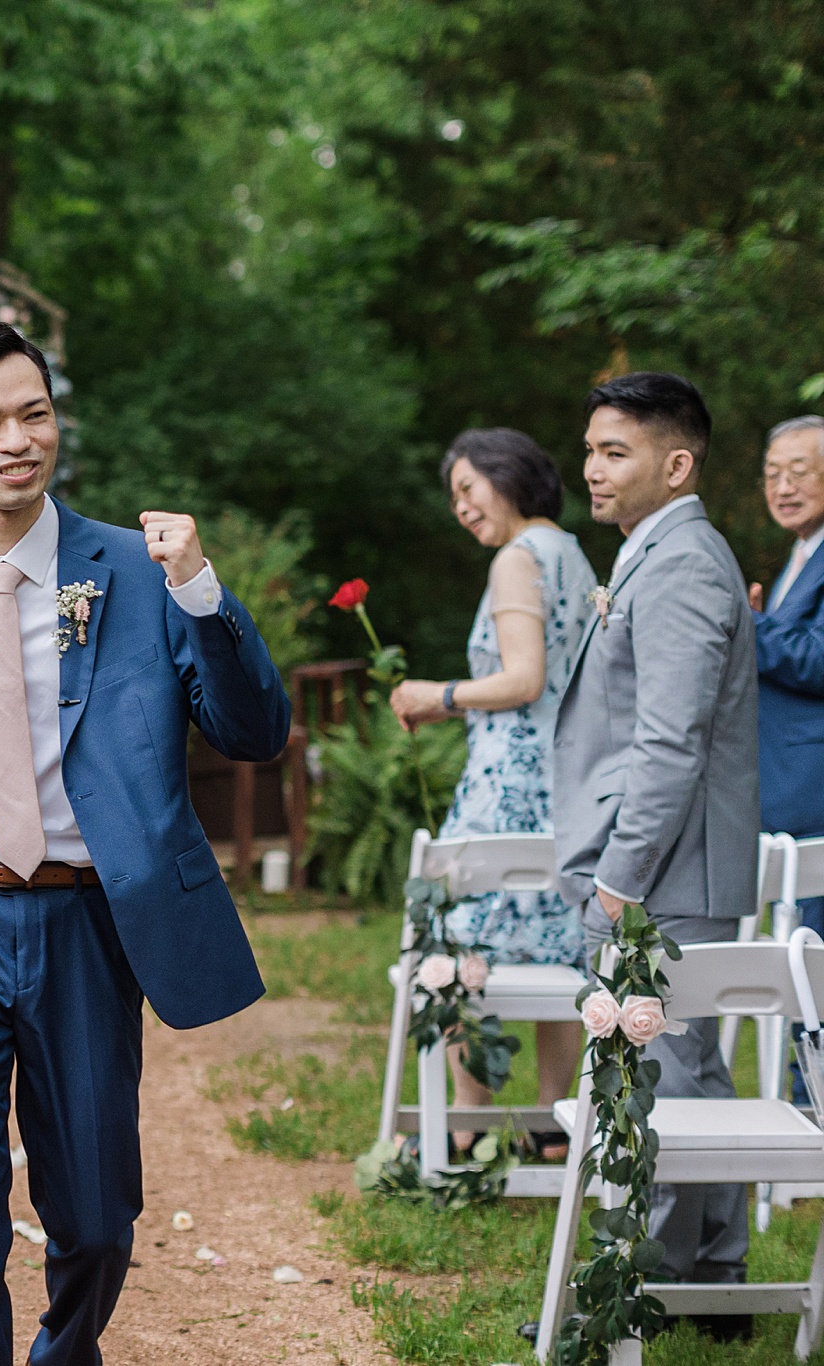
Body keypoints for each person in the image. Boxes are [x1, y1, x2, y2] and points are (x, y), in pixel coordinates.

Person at [0, 319, 292, 1365]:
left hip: (90, 920)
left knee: (93, 1213)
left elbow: (253, 733)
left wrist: (202, 591)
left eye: (34, 413)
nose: (17, 439)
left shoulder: (140, 572)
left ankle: (64, 1349)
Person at [553, 371, 758, 1339]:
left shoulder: (679, 562)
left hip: (667, 866)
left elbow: (669, 741)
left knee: (670, 1072)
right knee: (678, 1071)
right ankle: (704, 1276)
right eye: (589, 449)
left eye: (613, 452)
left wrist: (616, 874)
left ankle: (679, 1280)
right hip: (665, 859)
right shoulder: (654, 550)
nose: (590, 469)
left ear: (674, 465)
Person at [388, 428, 597, 1158]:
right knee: (556, 942)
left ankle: (467, 1119)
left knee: (464, 938)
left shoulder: (518, 558)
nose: (461, 509)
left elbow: (523, 678)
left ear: (508, 477)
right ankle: (552, 1120)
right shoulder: (572, 553)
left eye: (468, 489)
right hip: (568, 776)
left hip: (509, 779)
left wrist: (434, 694)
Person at [749, 416, 824, 941]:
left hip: (814, 793)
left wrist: (746, 623)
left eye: (799, 471)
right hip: (787, 787)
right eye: (773, 473)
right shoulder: (802, 554)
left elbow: (819, 659)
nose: (783, 487)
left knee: (813, 965)